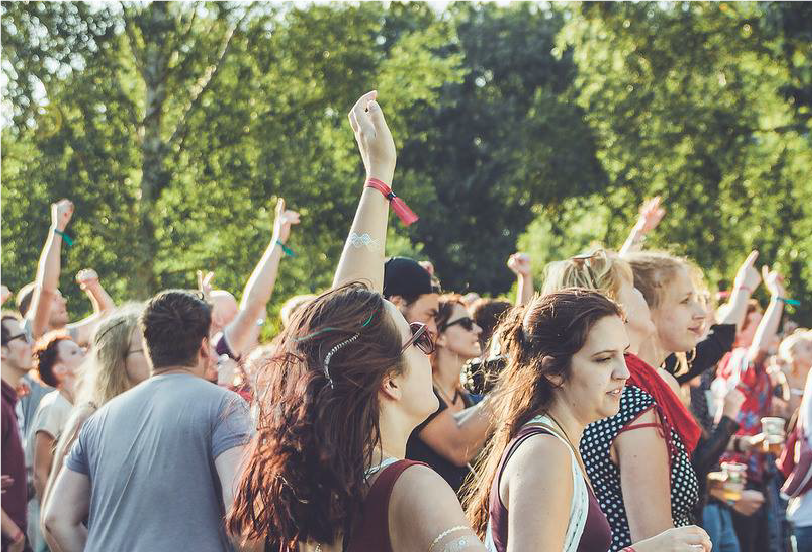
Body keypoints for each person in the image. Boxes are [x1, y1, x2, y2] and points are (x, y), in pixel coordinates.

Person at [228, 90, 487, 552]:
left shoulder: (312, 490)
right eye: (416, 337)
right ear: (389, 380)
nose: (428, 341)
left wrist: (378, 179)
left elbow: (346, 320)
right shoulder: (412, 486)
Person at [464, 289, 711, 552]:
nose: (624, 373)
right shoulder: (544, 451)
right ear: (553, 371)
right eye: (603, 359)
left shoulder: (556, 441)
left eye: (624, 355)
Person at [43, 291, 252, 552]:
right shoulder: (225, 405)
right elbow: (242, 512)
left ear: (147, 347)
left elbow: (56, 518)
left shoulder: (99, 419)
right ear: (203, 347)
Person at [542, 249, 702, 550]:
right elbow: (655, 540)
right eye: (633, 288)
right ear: (613, 303)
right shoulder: (627, 400)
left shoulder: (582, 392)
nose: (642, 297)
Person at [39, 307, 148, 549]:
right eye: (143, 349)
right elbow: (53, 520)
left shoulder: (146, 411)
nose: (154, 355)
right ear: (117, 360)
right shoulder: (90, 417)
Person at [713, 266, 789, 552]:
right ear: (739, 332)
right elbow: (759, 349)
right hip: (737, 475)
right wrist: (778, 298)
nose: (765, 330)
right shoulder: (739, 359)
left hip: (756, 471)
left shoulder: (750, 367)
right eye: (758, 324)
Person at [202, 198, 301, 362]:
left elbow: (255, 302)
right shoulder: (221, 348)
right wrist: (277, 242)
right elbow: (254, 301)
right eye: (235, 313)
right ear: (217, 320)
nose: (245, 318)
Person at [407, 294, 484, 494]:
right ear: (440, 337)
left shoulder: (467, 398)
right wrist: (508, 389)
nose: (478, 330)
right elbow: (458, 448)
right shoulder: (422, 393)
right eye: (466, 324)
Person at [25, 332, 85, 551]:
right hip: (45, 512)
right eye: (74, 352)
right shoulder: (53, 406)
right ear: (60, 369)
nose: (83, 352)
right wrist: (49, 526)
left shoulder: (80, 404)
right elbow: (40, 474)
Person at [0, 313, 33, 552]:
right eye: (22, 338)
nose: (31, 344)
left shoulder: (8, 399)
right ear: (2, 351)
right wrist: (13, 535)